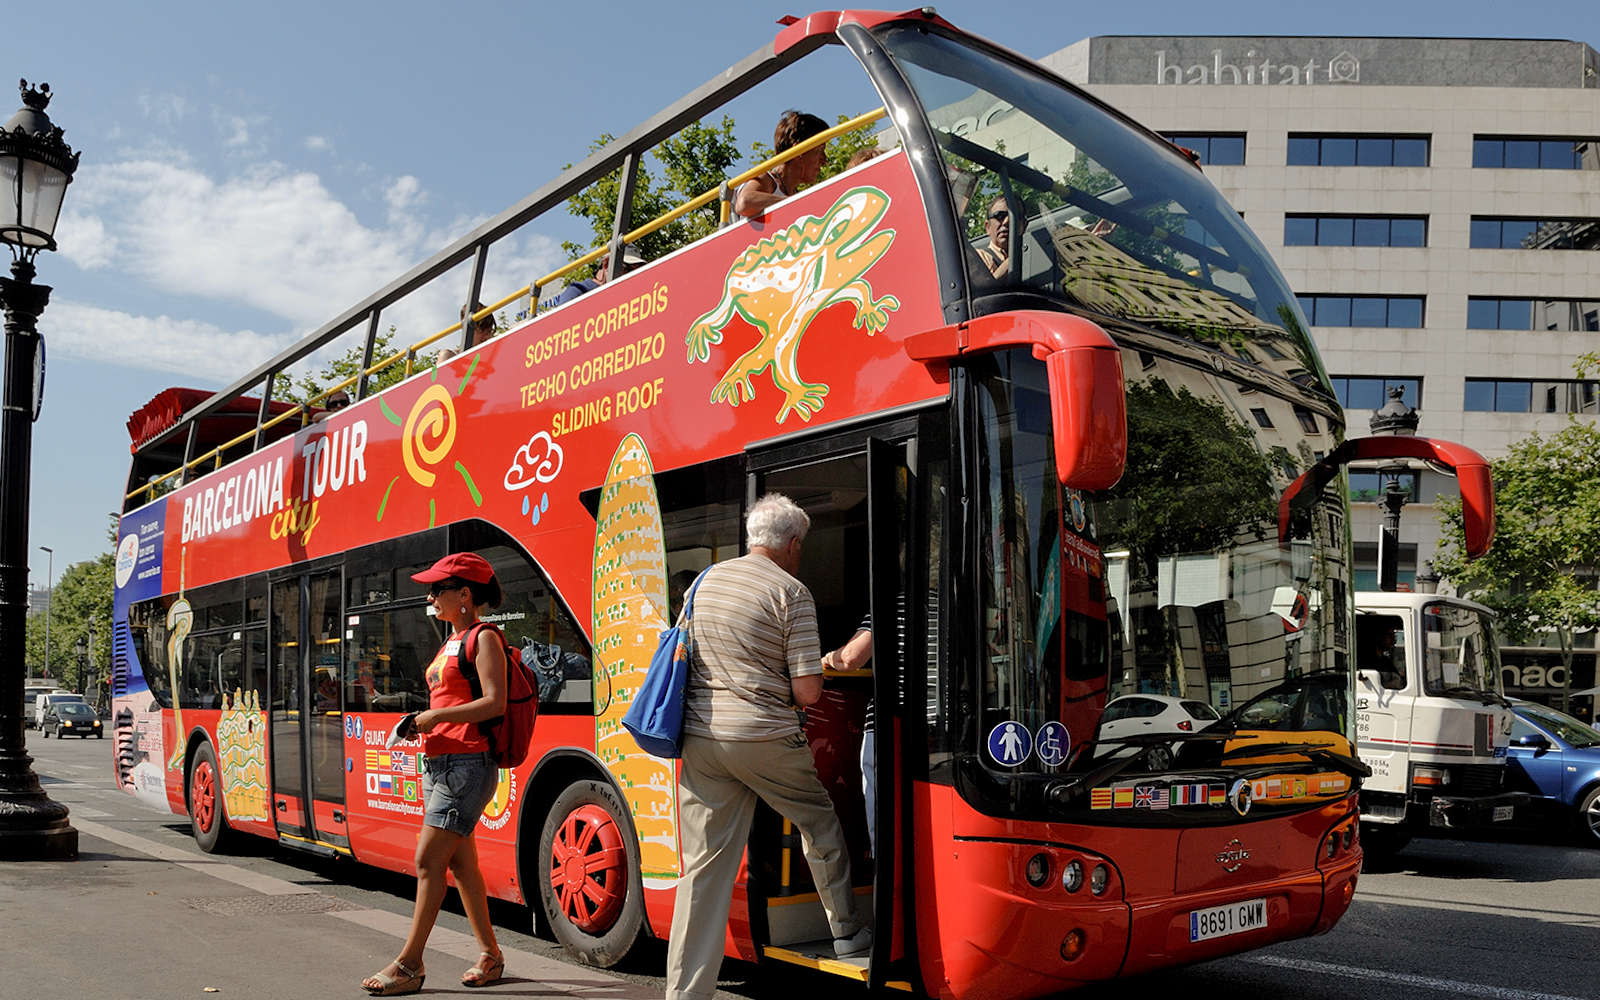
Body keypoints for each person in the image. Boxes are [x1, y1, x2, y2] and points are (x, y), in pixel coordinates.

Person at [666, 495, 869, 1000]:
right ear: (793, 544)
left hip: (701, 739)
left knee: (703, 871)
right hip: (764, 738)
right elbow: (807, 692)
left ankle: (685, 994)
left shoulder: (703, 581)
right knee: (819, 823)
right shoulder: (791, 591)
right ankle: (846, 934)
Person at [362, 552, 508, 995]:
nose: (429, 597)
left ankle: (410, 964)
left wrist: (432, 720)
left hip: (467, 765)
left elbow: (495, 702)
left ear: (465, 594)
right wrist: (421, 720)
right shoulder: (452, 640)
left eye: (437, 589)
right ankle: (491, 955)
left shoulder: (483, 638)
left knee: (428, 861)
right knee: (462, 866)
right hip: (441, 764)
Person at [822, 614, 876, 855]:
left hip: (893, 719)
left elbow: (851, 657)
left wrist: (826, 660)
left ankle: (878, 858)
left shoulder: (891, 605)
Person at [733, 111, 829, 220]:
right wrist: (797, 204)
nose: (824, 161)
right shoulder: (768, 180)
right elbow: (744, 203)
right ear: (799, 151)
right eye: (819, 151)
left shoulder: (794, 194)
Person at [543, 243, 646, 310]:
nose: (630, 276)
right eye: (626, 269)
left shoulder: (624, 302)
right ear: (606, 264)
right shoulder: (578, 292)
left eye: (635, 272)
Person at [975, 195, 1011, 278]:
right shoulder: (980, 257)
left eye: (1015, 216)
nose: (1007, 221)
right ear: (988, 227)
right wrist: (1012, 260)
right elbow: (985, 288)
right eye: (1000, 216)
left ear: (1024, 225)